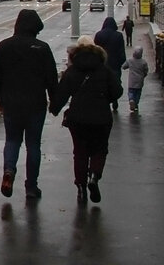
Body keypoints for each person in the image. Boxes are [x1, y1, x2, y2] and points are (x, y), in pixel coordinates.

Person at [0, 9, 58, 199]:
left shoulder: (3, 46)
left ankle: (9, 170)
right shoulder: (42, 48)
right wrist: (55, 102)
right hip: (35, 104)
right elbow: (51, 78)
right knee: (33, 145)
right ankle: (31, 187)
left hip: (11, 104)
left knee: (12, 140)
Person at [51, 36, 122, 204]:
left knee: (80, 153)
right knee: (100, 149)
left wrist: (54, 108)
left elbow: (62, 93)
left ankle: (81, 188)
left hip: (77, 118)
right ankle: (94, 176)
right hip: (101, 117)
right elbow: (117, 91)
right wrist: (105, 99)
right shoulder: (104, 70)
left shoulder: (73, 70)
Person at [93, 16, 126, 111]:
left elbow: (96, 50)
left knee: (103, 84)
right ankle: (114, 99)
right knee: (115, 83)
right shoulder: (118, 35)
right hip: (115, 65)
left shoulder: (99, 35)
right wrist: (121, 62)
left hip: (102, 65)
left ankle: (104, 101)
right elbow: (121, 52)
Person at [123, 46, 148, 113]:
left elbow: (124, 66)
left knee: (131, 91)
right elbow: (146, 71)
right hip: (140, 80)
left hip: (132, 80)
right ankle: (136, 103)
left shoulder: (130, 60)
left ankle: (131, 100)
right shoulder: (143, 62)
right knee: (138, 93)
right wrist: (144, 75)